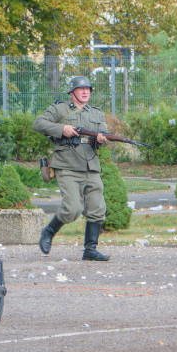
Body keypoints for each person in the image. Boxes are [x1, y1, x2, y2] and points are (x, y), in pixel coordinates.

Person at [33, 76, 111, 261]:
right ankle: (49, 231)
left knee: (97, 208)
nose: (85, 92)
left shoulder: (96, 113)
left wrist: (103, 140)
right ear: (72, 92)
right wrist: (62, 129)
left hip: (90, 166)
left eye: (88, 89)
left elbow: (105, 136)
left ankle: (90, 250)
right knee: (72, 208)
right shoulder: (60, 109)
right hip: (67, 165)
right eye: (81, 89)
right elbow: (38, 123)